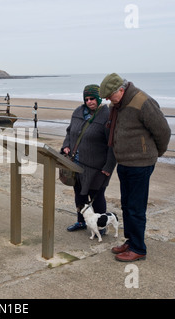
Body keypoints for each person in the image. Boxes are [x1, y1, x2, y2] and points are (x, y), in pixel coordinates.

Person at [100, 73, 171, 262]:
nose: (107, 100)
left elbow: (163, 131)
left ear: (121, 90)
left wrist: (154, 154)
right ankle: (131, 241)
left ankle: (139, 248)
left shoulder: (143, 102)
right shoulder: (118, 105)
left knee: (136, 208)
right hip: (124, 163)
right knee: (126, 205)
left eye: (109, 96)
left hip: (141, 164)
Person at [62, 84, 116, 233]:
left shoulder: (107, 115)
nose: (89, 102)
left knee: (97, 197)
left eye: (92, 98)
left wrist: (108, 167)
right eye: (86, 99)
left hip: (97, 167)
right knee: (79, 196)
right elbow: (69, 132)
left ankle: (101, 225)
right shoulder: (78, 112)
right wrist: (66, 145)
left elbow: (112, 144)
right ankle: (81, 222)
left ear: (99, 98)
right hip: (76, 164)